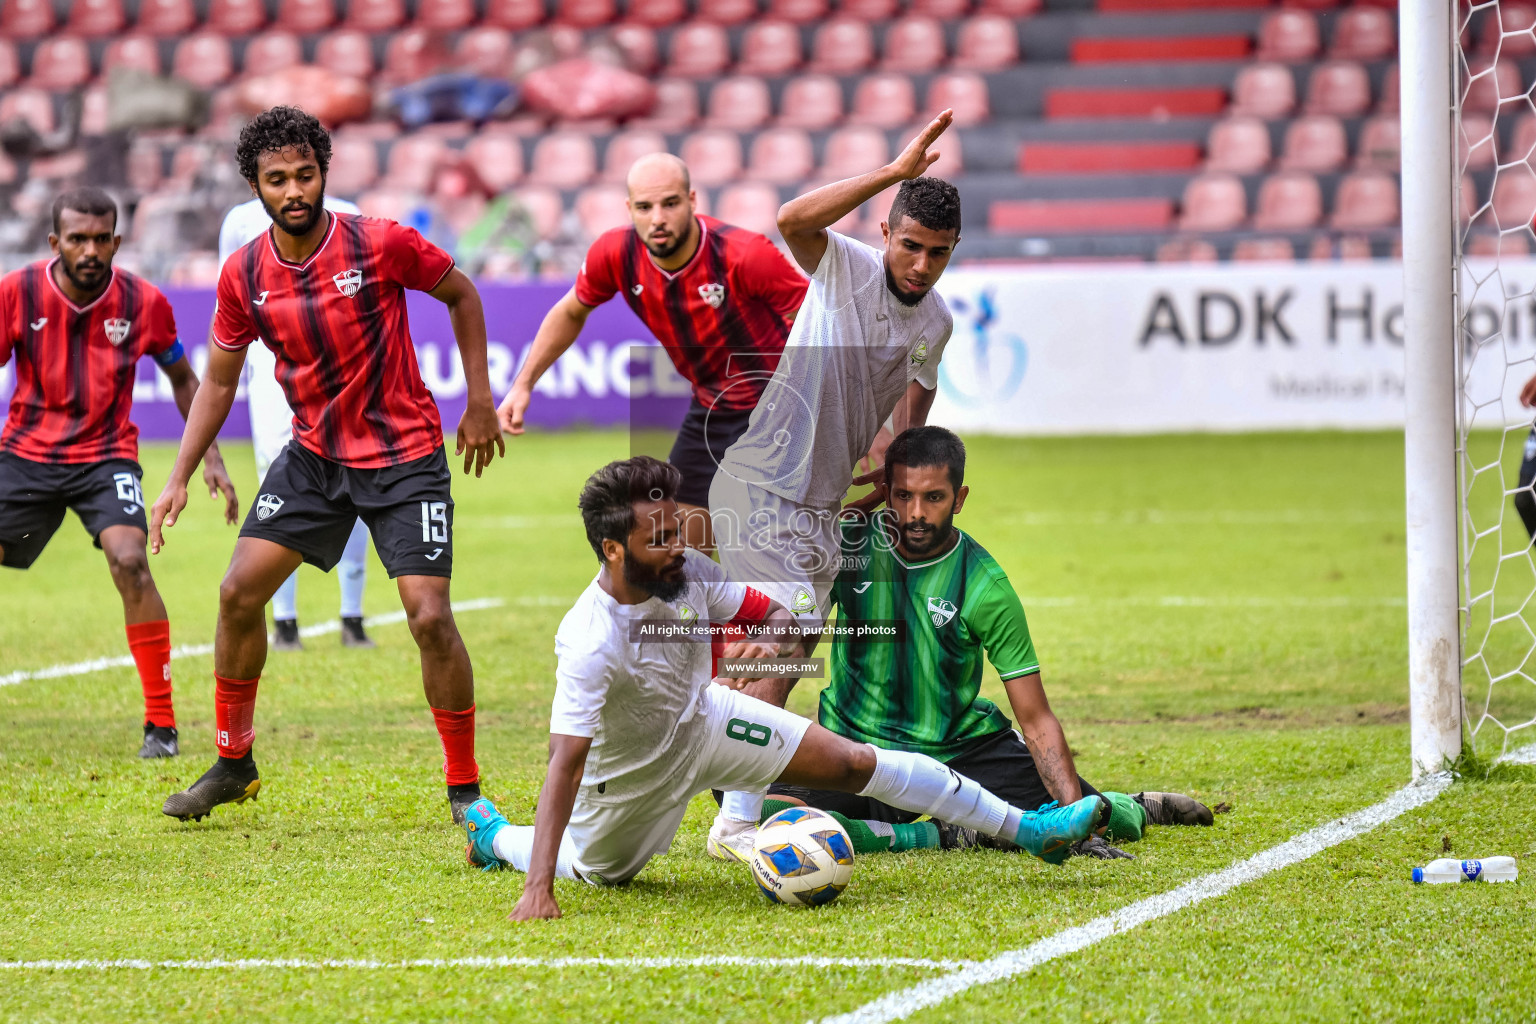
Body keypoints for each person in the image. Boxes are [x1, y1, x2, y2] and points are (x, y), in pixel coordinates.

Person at [455, 456, 1105, 921]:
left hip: (706, 722)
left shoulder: (691, 573)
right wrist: (538, 888)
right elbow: (564, 762)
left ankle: (1031, 832)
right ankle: (495, 838)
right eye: (659, 540)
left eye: (677, 530)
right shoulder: (590, 642)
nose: (679, 548)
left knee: (855, 763)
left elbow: (771, 612)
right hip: (630, 772)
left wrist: (771, 641)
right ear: (613, 550)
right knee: (604, 871)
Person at [148, 106, 504, 824]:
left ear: (324, 174)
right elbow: (218, 381)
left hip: (404, 456)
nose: (293, 191)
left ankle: (464, 788)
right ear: (255, 186)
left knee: (429, 616)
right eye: (276, 180)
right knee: (236, 594)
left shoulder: (379, 242)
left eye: (304, 175)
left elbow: (460, 293)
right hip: (313, 457)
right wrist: (182, 473)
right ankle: (232, 762)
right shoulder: (243, 274)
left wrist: (481, 399)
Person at [766, 427, 1215, 859]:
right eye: (903, 495)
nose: (916, 513)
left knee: (1087, 817)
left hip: (960, 750)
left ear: (958, 500)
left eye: (934, 497)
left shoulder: (986, 586)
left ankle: (1133, 805)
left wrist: (1072, 825)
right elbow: (793, 640)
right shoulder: (846, 547)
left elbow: (1036, 718)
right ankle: (939, 835)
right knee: (757, 810)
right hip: (855, 746)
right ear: (886, 492)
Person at [705, 111, 962, 858]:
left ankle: (724, 801)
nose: (920, 264)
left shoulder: (935, 321)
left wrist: (899, 470)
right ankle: (706, 800)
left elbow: (918, 399)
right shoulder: (844, 265)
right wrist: (893, 169)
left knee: (778, 662)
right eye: (910, 245)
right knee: (782, 641)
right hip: (759, 485)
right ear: (885, 231)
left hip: (819, 508)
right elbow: (790, 216)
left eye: (937, 254)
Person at [0, 186, 239, 759]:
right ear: (55, 241)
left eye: (100, 239)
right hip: (27, 452)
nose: (89, 250)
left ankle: (161, 723)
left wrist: (210, 456)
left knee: (131, 561)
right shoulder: (17, 292)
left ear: (117, 241)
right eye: (76, 239)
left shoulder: (144, 301)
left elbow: (185, 378)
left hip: (106, 456)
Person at [495, 153, 809, 551]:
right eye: (645, 207)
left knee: (768, 549)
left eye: (670, 204)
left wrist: (850, 419)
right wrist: (523, 385)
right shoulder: (615, 254)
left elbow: (822, 324)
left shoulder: (746, 254)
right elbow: (571, 310)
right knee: (680, 546)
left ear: (692, 200)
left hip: (777, 407)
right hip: (711, 406)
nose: (657, 218)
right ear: (630, 209)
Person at [216, 194, 375, 652]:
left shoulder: (350, 214)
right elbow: (230, 302)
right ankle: (285, 622)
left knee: (356, 475)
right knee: (275, 480)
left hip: (340, 367)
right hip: (270, 368)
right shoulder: (239, 221)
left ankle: (353, 615)